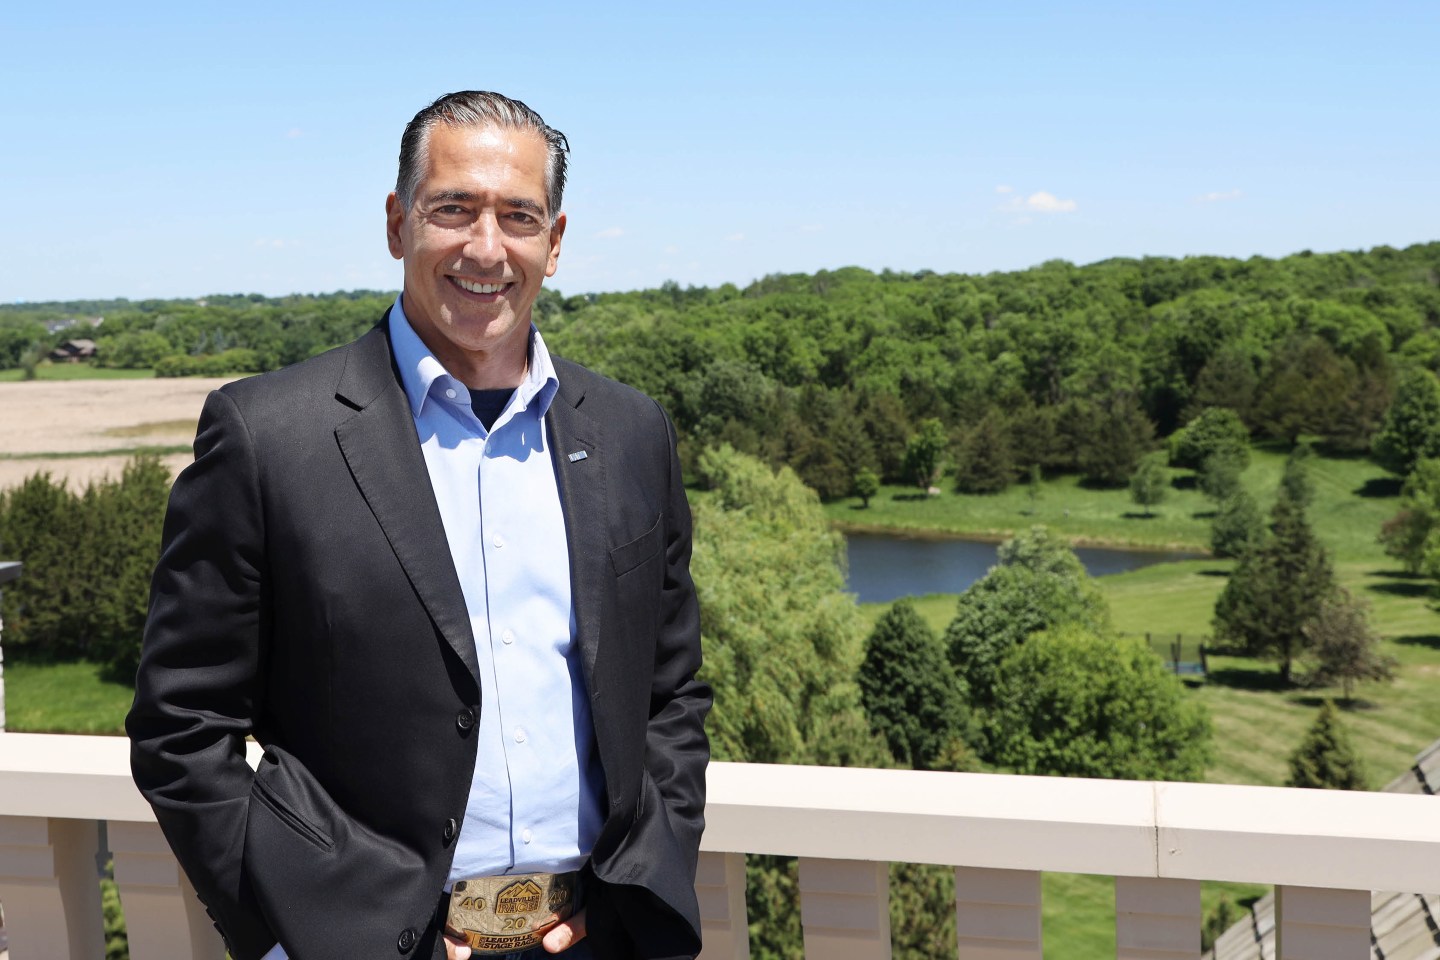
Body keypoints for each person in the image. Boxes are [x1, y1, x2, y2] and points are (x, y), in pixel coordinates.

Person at [127, 91, 711, 960]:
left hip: (597, 939)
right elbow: (180, 727)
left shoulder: (631, 433)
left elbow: (671, 694)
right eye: (454, 209)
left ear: (554, 242)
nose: (487, 247)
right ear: (398, 223)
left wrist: (640, 884)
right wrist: (298, 937)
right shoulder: (268, 437)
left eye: (519, 216)